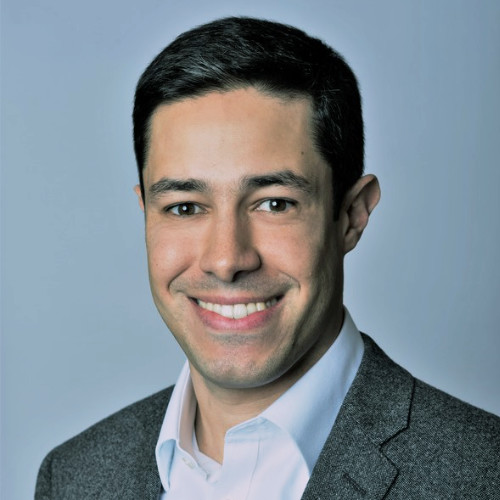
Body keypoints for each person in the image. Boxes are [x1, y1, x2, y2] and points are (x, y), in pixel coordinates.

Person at [35, 16, 500, 500]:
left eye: (274, 203)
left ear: (352, 216)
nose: (225, 259)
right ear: (146, 215)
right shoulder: (72, 478)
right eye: (185, 207)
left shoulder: (486, 474)